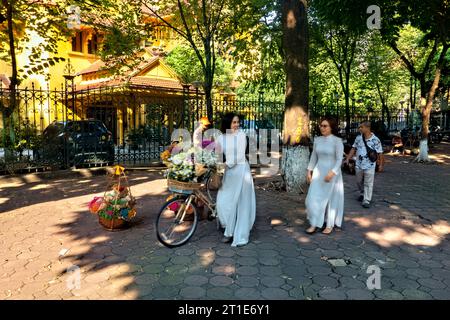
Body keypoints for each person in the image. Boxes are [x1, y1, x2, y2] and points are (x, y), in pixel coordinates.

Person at [216, 112, 256, 247]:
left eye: (238, 122)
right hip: (229, 173)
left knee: (240, 202)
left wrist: (225, 164)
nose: (237, 125)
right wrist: (213, 162)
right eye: (234, 122)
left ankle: (232, 233)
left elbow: (239, 156)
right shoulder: (221, 137)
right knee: (223, 200)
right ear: (227, 123)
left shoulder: (241, 136)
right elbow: (218, 154)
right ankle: (228, 226)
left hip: (241, 171)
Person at [305, 117, 344, 235]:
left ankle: (329, 224)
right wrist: (309, 171)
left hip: (332, 173)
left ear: (331, 127)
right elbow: (313, 157)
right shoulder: (317, 140)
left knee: (330, 199)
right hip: (318, 172)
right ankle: (314, 223)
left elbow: (339, 159)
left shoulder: (337, 141)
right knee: (311, 198)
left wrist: (332, 172)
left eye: (325, 126)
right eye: (321, 125)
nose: (322, 128)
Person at [345, 121, 384, 208]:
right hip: (359, 164)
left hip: (370, 165)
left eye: (361, 127)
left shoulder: (376, 140)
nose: (360, 129)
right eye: (359, 127)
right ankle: (362, 193)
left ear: (367, 128)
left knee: (368, 183)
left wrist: (381, 165)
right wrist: (348, 158)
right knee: (359, 181)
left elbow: (380, 153)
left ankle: (366, 200)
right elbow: (353, 149)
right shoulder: (358, 138)